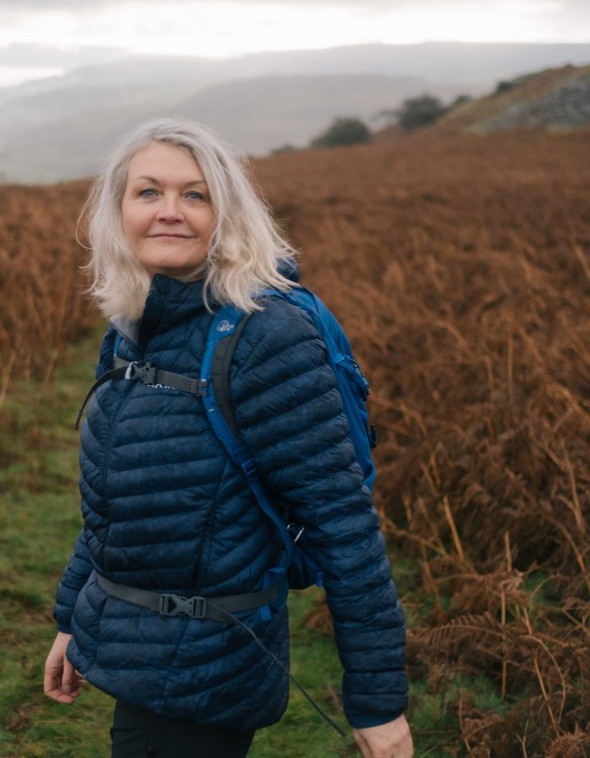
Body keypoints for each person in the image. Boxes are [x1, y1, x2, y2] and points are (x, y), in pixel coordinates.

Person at [44, 116, 413, 758]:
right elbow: (118, 501)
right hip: (142, 652)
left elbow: (342, 522)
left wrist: (378, 703)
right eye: (148, 192)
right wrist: (74, 617)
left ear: (227, 214)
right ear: (118, 211)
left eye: (195, 194)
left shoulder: (266, 337)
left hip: (208, 671)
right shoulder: (136, 326)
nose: (169, 211)